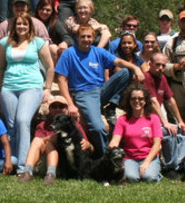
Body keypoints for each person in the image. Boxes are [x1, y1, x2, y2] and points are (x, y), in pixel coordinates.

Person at [57, 25, 144, 156]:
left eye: (89, 37)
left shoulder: (98, 51)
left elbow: (119, 61)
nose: (86, 39)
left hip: (101, 91)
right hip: (84, 94)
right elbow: (61, 80)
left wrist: (136, 68)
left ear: (93, 38)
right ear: (77, 38)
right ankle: (104, 157)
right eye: (83, 37)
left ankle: (112, 105)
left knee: (126, 72)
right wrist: (70, 103)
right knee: (98, 128)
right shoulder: (69, 53)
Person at [0, 13, 55, 172]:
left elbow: (50, 67)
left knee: (22, 120)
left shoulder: (38, 42)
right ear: (14, 26)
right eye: (18, 24)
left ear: (30, 26)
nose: (21, 27)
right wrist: (2, 88)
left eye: (25, 24)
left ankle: (24, 166)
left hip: (31, 86)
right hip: (9, 87)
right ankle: (12, 162)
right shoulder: (5, 43)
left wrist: (47, 88)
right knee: (12, 125)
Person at [18, 96, 92, 184]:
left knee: (49, 143)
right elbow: (38, 144)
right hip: (44, 163)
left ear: (67, 109)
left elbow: (89, 149)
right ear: (49, 109)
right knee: (40, 141)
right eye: (54, 106)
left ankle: (51, 175)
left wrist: (89, 145)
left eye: (61, 106)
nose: (57, 109)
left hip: (62, 166)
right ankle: (27, 172)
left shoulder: (75, 127)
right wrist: (51, 138)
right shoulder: (42, 125)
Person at [143, 52, 185, 177]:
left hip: (157, 119)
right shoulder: (146, 78)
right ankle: (169, 167)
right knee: (169, 132)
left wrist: (180, 121)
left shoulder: (162, 78)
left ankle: (181, 164)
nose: (161, 68)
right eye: (157, 65)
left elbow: (170, 100)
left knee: (183, 131)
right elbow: (153, 102)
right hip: (146, 120)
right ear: (150, 64)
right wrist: (165, 122)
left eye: (163, 66)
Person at [108, 84, 163, 183]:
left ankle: (156, 173)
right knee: (131, 178)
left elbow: (157, 144)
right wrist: (110, 151)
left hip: (149, 157)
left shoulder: (153, 119)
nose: (137, 101)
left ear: (145, 101)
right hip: (130, 158)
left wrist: (146, 163)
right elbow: (115, 140)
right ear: (129, 101)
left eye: (140, 99)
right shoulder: (122, 120)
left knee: (148, 178)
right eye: (133, 99)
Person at [34, 0, 72, 64]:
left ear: (52, 11)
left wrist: (65, 43)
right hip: (34, 50)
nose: (44, 12)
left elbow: (67, 37)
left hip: (50, 54)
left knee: (53, 48)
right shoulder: (32, 22)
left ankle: (56, 73)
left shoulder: (55, 23)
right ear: (38, 9)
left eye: (48, 10)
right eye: (42, 9)